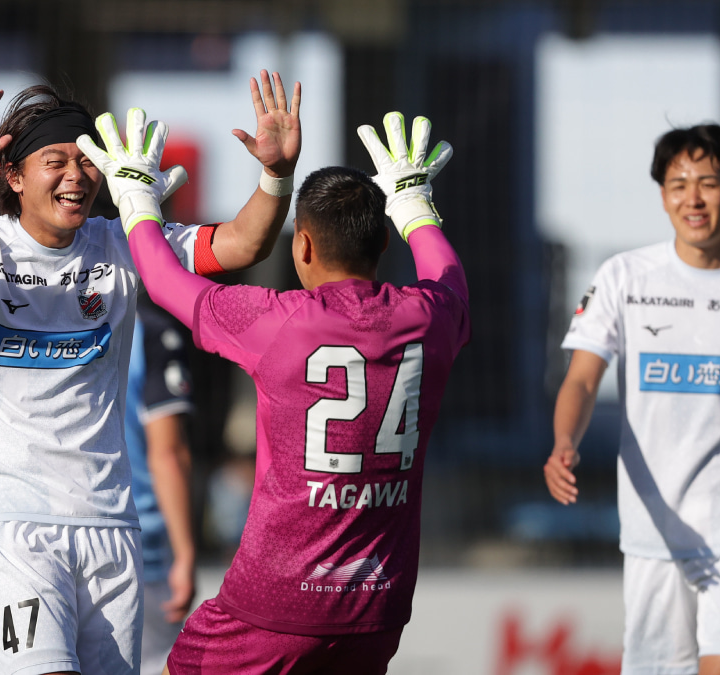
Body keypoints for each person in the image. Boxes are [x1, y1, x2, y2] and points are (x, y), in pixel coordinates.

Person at [0, 70, 301, 675]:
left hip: (108, 524)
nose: (76, 175)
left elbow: (241, 245)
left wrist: (276, 175)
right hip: (12, 524)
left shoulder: (122, 243)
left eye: (86, 160)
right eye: (54, 161)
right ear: (14, 178)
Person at [78, 110, 468, 674]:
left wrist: (137, 200)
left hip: (272, 606)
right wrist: (414, 205)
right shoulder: (430, 317)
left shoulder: (276, 319)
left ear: (302, 247)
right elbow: (448, 276)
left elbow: (162, 282)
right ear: (383, 240)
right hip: (378, 605)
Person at [543, 124, 720, 675]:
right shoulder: (624, 277)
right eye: (679, 183)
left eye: (709, 182)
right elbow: (583, 379)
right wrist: (564, 441)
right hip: (654, 535)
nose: (693, 198)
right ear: (662, 195)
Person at [125, 295, 196, 675]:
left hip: (42, 539)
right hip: (138, 548)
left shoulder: (39, 322)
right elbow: (167, 452)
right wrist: (184, 554)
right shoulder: (149, 332)